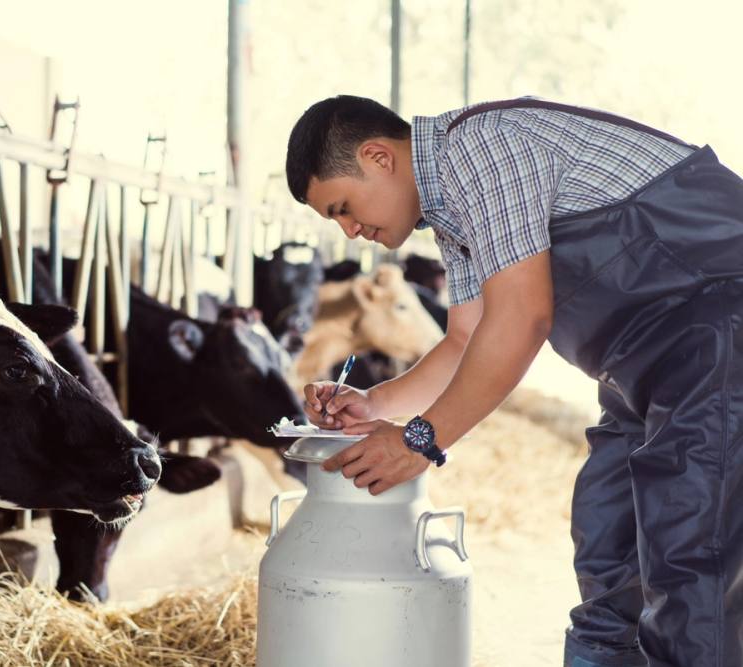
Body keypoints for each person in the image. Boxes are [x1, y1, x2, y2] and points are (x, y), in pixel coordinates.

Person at [285, 95, 743, 667]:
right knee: (608, 541)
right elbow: (465, 340)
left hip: (720, 333)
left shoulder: (482, 147)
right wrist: (372, 403)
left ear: (378, 157)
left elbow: (523, 317)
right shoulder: (453, 212)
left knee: (688, 553)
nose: (352, 232)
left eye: (342, 208)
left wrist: (420, 441)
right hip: (647, 366)